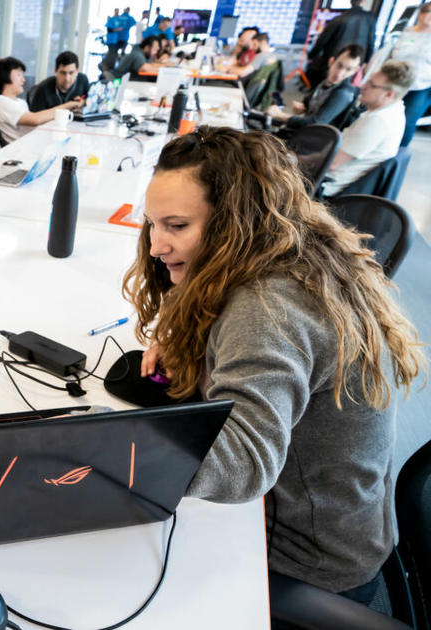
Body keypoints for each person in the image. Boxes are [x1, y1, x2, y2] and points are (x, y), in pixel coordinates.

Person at [124, 126, 424, 606]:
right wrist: (186, 338)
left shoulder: (267, 305)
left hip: (304, 560)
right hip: (343, 527)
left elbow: (243, 460)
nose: (157, 246)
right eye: (153, 224)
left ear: (233, 223)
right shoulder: (295, 252)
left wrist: (110, 454)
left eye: (177, 226)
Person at [321, 60, 415, 197]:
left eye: (371, 85)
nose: (362, 86)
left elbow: (332, 163)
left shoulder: (378, 121)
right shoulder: (395, 110)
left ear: (389, 94)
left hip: (325, 187)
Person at [268, 44, 363, 130]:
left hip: (317, 142)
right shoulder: (325, 82)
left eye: (348, 69)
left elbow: (316, 123)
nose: (339, 74)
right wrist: (303, 106)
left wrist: (281, 115)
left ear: (354, 71)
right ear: (331, 62)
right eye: (339, 65)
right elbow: (307, 101)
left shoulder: (343, 93)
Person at [0, 57, 81, 144]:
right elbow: (35, 119)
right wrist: (68, 105)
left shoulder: (20, 102)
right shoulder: (1, 102)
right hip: (22, 150)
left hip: (33, 143)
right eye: (19, 75)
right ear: (5, 76)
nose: (23, 79)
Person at [387, 3, 431, 146]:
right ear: (420, 13)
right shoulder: (405, 32)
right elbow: (391, 54)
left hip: (421, 86)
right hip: (396, 82)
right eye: (428, 12)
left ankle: (398, 155)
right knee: (387, 117)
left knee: (408, 121)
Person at [306, 0, 376, 88]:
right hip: (355, 62)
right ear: (363, 1)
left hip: (336, 60)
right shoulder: (370, 18)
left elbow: (322, 41)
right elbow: (371, 42)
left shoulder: (338, 19)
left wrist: (311, 56)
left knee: (327, 87)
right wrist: (366, 62)